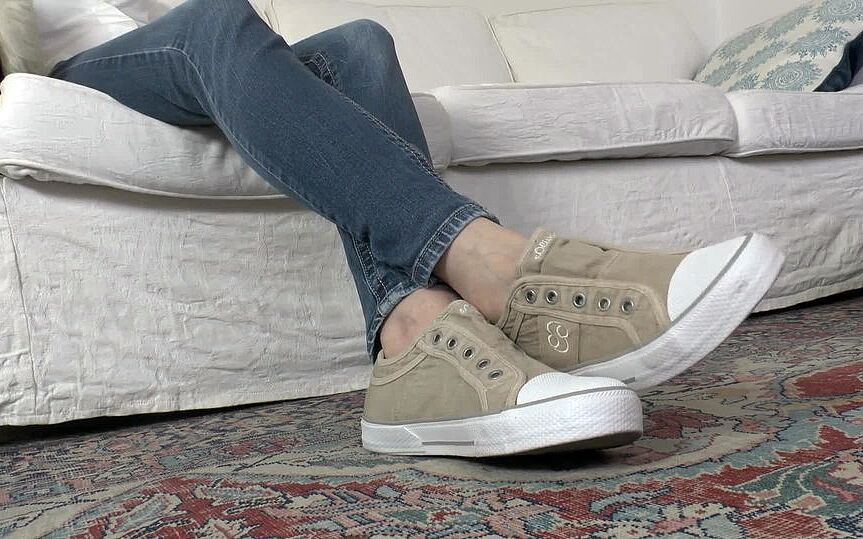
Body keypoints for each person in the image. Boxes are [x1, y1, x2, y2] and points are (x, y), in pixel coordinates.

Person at [48, 0, 784, 457]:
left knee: (360, 43)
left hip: (171, 51)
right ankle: (491, 262)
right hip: (73, 67)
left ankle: (413, 329)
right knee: (210, 21)